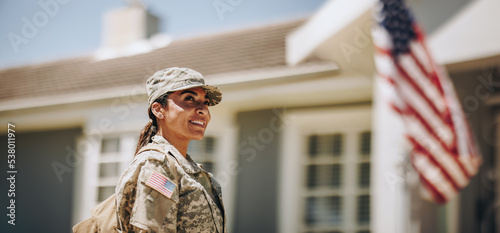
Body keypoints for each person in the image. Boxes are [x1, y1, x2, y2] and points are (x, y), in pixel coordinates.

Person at [115, 67, 225, 232]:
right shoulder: (158, 165)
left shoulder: (187, 169)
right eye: (189, 98)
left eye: (206, 102)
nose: (203, 110)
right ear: (158, 110)